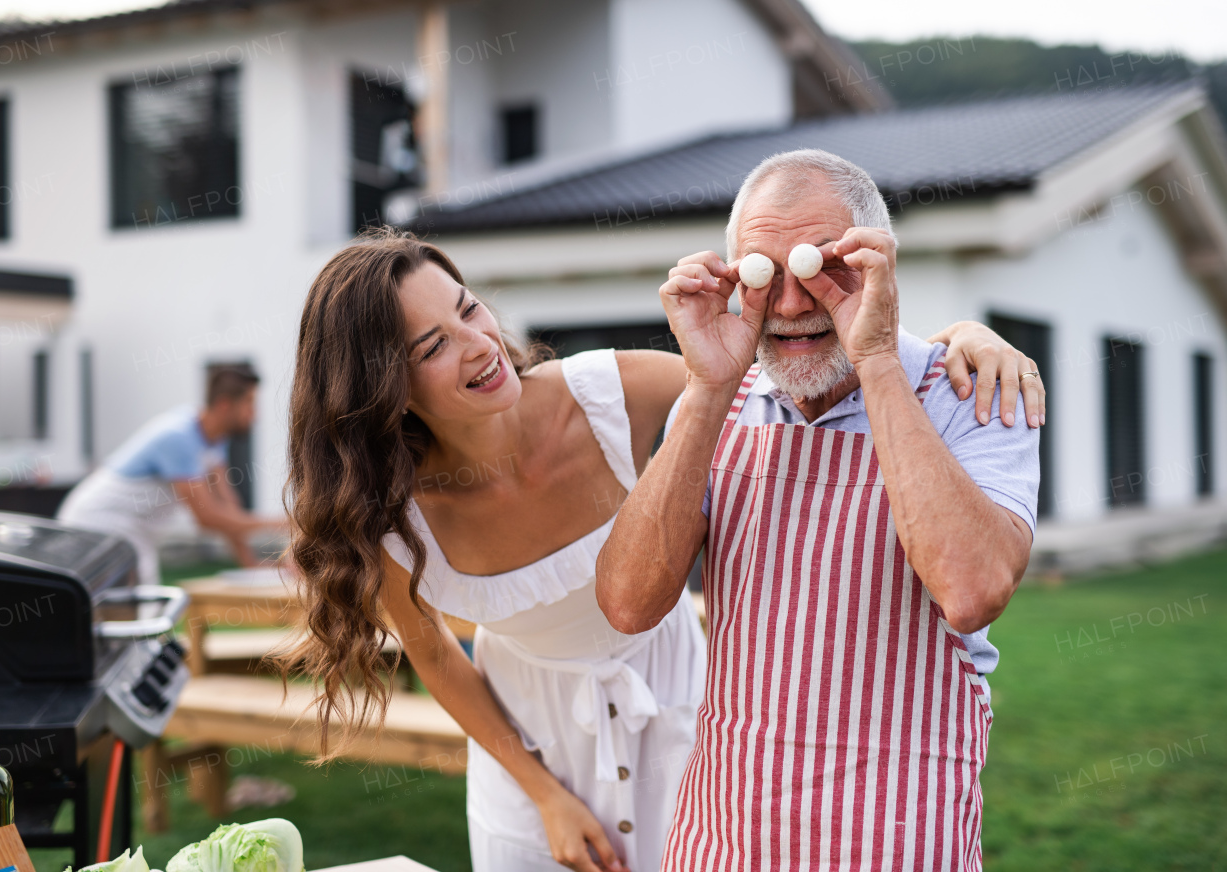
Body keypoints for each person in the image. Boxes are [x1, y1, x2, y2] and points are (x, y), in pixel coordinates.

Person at [279, 228, 1042, 872]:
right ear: (383, 387)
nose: (480, 345)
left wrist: (955, 340)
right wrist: (542, 792)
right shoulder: (384, 518)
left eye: (469, 307)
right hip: (528, 746)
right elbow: (439, 656)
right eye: (433, 345)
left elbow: (779, 375)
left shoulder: (604, 393)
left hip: (681, 705)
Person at [596, 148, 1041, 870]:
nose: (795, 305)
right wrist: (707, 390)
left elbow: (972, 591)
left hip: (898, 836)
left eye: (821, 270)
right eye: (765, 276)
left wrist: (877, 361)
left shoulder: (975, 393)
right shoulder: (717, 402)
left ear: (876, 268)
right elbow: (627, 602)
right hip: (727, 834)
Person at [57, 362, 284, 585]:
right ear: (225, 404)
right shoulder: (181, 438)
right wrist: (281, 524)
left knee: (142, 610)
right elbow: (208, 517)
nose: (254, 415)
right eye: (249, 403)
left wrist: (251, 563)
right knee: (129, 610)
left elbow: (228, 506)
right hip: (98, 522)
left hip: (131, 530)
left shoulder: (215, 441)